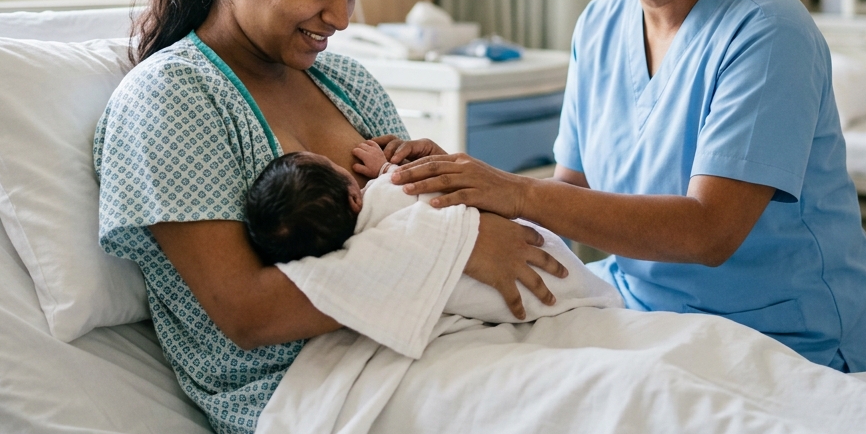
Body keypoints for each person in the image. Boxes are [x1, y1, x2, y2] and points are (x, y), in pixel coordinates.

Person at [391, 0, 866, 373]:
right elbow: (569, 193)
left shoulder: (767, 33)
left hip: (781, 335)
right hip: (643, 313)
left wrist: (513, 191)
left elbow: (709, 232)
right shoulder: (600, 25)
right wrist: (453, 214)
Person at [94, 0, 565, 434]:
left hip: (427, 344)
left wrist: (451, 193)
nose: (340, 18)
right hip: (311, 395)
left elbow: (413, 214)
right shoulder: (171, 99)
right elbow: (249, 313)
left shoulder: (345, 84)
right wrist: (450, 254)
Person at [243, 139, 621, 323]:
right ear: (354, 199)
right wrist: (383, 167)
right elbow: (403, 190)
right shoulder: (382, 205)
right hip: (524, 271)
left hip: (509, 266)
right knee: (555, 279)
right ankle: (589, 299)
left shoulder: (348, 245)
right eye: (344, 175)